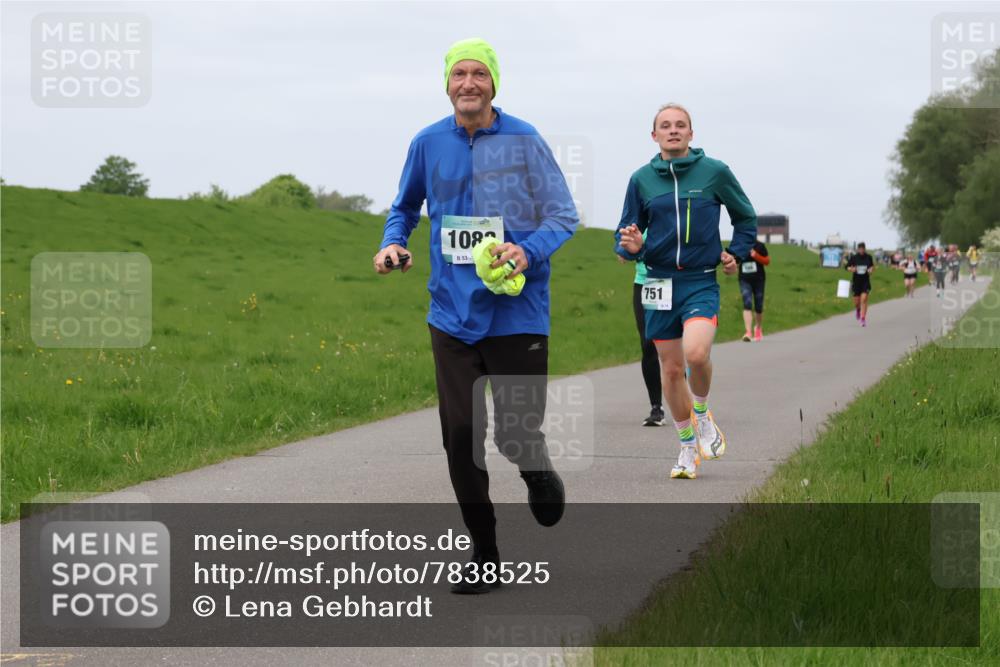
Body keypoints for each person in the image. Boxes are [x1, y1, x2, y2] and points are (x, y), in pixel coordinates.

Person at [374, 38, 578, 594]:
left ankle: (535, 470)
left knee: (515, 433)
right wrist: (394, 243)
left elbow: (563, 215)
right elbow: (403, 207)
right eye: (459, 74)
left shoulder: (525, 139)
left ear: (494, 84)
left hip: (518, 312)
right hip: (451, 314)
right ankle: (484, 552)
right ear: (447, 84)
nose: (469, 83)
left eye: (479, 74)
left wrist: (526, 250)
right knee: (461, 433)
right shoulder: (427, 141)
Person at [616, 103, 756, 480]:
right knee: (671, 368)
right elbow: (625, 230)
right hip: (658, 282)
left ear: (692, 134)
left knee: (695, 353)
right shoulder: (641, 179)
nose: (673, 130)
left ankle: (702, 410)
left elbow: (745, 217)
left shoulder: (714, 172)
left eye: (680, 125)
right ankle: (687, 447)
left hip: (699, 280)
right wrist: (628, 245)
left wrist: (736, 253)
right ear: (654, 135)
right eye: (665, 125)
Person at [620, 236, 666, 426]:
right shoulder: (637, 216)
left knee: (671, 345)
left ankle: (689, 403)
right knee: (648, 344)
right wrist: (623, 250)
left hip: (665, 280)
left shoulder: (666, 211)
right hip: (643, 283)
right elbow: (620, 240)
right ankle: (656, 407)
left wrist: (641, 249)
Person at [736, 239, 770, 341]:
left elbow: (767, 261)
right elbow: (736, 261)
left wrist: (756, 255)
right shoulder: (741, 246)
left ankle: (758, 328)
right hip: (744, 279)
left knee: (758, 305)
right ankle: (748, 332)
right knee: (747, 302)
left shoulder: (760, 246)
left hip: (759, 279)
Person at [846, 242, 875, 327]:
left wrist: (871, 269)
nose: (862, 250)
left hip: (865, 281)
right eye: (860, 249)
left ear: (864, 249)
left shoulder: (868, 257)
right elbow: (847, 266)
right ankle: (858, 310)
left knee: (864, 299)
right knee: (857, 302)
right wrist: (851, 269)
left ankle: (863, 318)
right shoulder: (854, 258)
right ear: (858, 249)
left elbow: (872, 266)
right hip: (856, 282)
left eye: (863, 249)